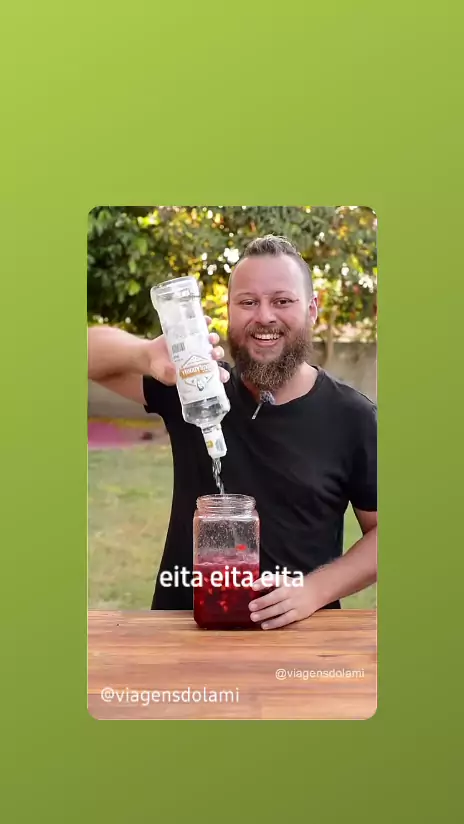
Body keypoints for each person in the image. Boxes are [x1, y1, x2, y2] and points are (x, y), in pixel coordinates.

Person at [88, 235, 377, 629]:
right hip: (183, 635)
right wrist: (144, 355)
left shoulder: (353, 417)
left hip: (297, 641)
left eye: (282, 301)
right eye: (247, 302)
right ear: (228, 311)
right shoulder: (196, 386)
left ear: (312, 309)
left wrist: (314, 590)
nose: (264, 316)